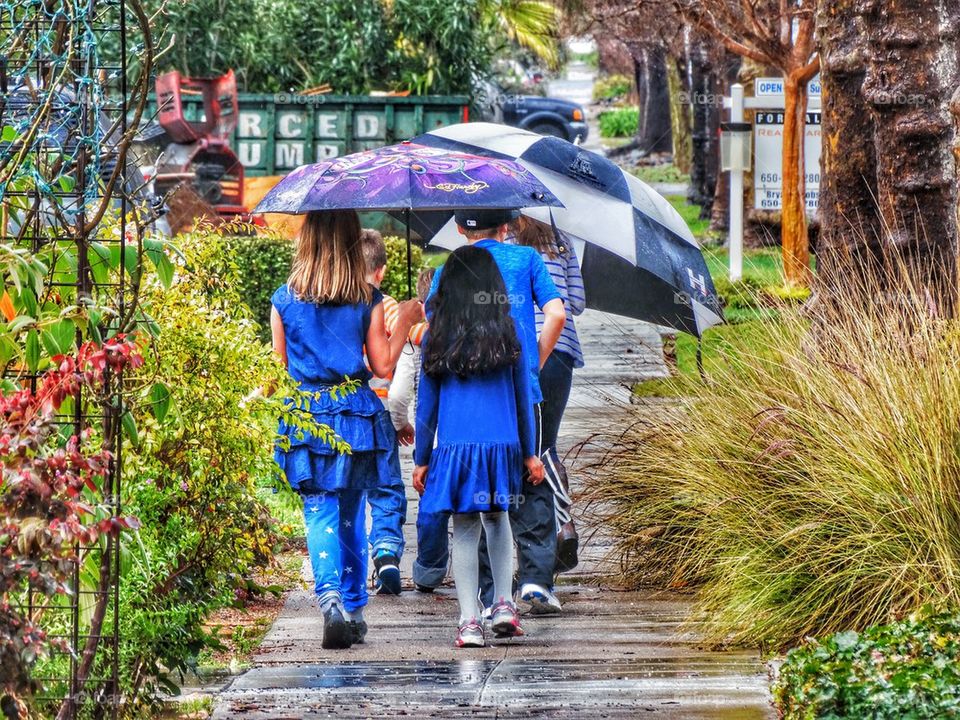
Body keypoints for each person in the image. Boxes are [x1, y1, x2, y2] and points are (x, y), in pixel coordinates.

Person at [271, 210, 422, 650]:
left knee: (319, 510)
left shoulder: (284, 298)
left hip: (306, 415)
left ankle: (331, 599)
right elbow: (383, 366)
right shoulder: (367, 297)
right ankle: (355, 609)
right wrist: (408, 319)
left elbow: (278, 369)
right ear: (351, 243)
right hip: (355, 414)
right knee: (353, 513)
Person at [426, 208, 566, 616]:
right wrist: (532, 364)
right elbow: (556, 313)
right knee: (529, 479)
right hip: (520, 392)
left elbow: (437, 332)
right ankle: (536, 578)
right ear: (507, 227)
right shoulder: (526, 259)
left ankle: (489, 597)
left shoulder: (448, 270)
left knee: (478, 496)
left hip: (465, 405)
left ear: (458, 229)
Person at [413, 245, 543, 648]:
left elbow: (426, 405)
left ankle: (470, 621)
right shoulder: (510, 331)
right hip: (502, 443)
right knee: (498, 516)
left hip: (457, 447)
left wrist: (421, 458)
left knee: (465, 528)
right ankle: (503, 603)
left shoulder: (437, 334)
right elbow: (524, 398)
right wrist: (530, 451)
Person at [512, 216, 585, 577]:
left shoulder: (507, 241)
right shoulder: (563, 240)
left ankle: (555, 528)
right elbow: (577, 302)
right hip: (564, 350)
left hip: (528, 349)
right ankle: (563, 525)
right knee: (548, 444)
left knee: (528, 447)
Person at [386, 268, 449, 593]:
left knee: (432, 507)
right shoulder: (464, 332)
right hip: (461, 435)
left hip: (429, 438)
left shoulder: (414, 343)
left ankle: (429, 569)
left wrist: (401, 425)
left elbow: (397, 396)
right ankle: (486, 572)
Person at [359, 228, 406, 595]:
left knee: (352, 488)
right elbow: (414, 342)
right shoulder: (386, 305)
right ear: (382, 271)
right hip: (383, 408)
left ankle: (355, 556)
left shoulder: (336, 303)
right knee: (387, 485)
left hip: (347, 410)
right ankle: (387, 551)